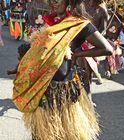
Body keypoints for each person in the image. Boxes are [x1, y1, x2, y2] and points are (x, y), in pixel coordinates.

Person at [12, 0, 113, 140]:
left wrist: (76, 54)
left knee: (66, 134)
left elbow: (107, 49)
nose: (53, 2)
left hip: (63, 89)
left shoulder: (80, 24)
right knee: (40, 134)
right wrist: (21, 66)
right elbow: (37, 52)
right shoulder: (51, 23)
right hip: (42, 86)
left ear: (69, 2)